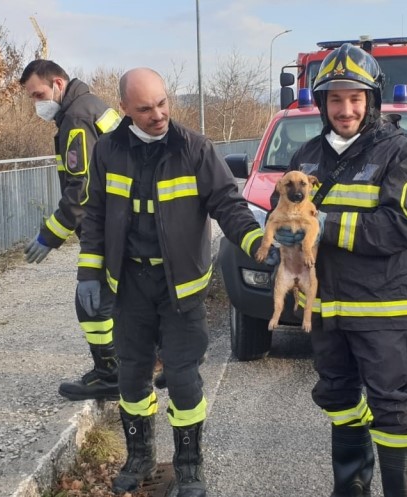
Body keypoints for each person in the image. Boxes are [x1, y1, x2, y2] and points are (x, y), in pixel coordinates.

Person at [76, 67, 266, 497]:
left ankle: (189, 464)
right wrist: (89, 272)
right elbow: (96, 216)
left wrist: (255, 240)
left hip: (180, 287)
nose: (158, 114)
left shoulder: (195, 149)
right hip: (130, 285)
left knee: (183, 377)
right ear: (124, 108)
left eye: (162, 103)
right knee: (132, 376)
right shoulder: (107, 150)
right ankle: (140, 456)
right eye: (145, 108)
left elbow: (227, 203)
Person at [280, 43, 407, 497]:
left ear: (372, 101)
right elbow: (282, 206)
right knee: (339, 400)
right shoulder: (305, 156)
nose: (345, 109)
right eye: (335, 99)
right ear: (322, 104)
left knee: (392, 410)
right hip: (325, 307)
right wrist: (284, 235)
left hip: (381, 304)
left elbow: (398, 228)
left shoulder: (401, 154)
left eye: (355, 98)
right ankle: (351, 488)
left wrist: (322, 224)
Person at [19, 60, 122, 401]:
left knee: (90, 304)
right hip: (120, 219)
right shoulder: (92, 105)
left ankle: (111, 375)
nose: (37, 103)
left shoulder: (77, 119)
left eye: (39, 94)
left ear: (58, 84)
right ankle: (126, 365)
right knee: (115, 299)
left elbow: (81, 190)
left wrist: (49, 235)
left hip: (107, 224)